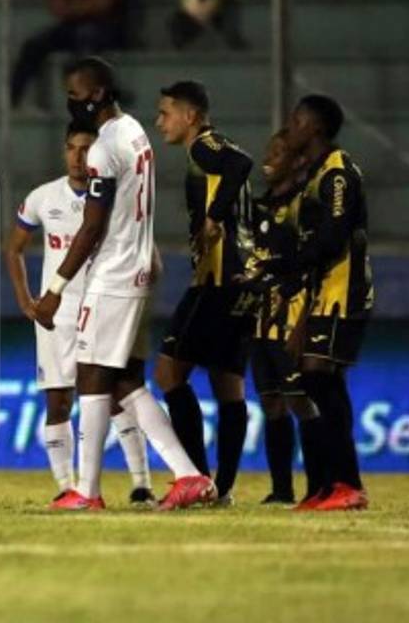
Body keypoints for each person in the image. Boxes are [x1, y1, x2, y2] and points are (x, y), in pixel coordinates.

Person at [34, 57, 215, 511]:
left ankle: (92, 491)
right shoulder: (134, 130)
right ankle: (184, 475)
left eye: (74, 96)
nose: (70, 104)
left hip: (112, 273)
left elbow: (92, 227)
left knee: (94, 377)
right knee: (120, 381)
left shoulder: (102, 150)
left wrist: (55, 288)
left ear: (96, 95)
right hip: (133, 266)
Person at [4, 122, 155, 507]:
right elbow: (14, 248)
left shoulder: (115, 197)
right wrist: (26, 300)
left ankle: (141, 483)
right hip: (57, 315)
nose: (78, 156)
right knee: (57, 402)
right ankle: (65, 485)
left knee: (116, 396)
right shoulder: (43, 197)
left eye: (86, 148)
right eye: (71, 148)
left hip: (104, 305)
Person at [153, 80, 254, 505]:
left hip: (217, 280)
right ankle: (223, 489)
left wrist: (212, 217)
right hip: (243, 281)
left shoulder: (204, 147)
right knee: (227, 383)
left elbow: (241, 164)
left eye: (166, 113)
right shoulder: (214, 148)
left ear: (190, 116)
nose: (160, 122)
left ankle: (196, 479)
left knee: (169, 374)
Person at [283, 95, 374, 511]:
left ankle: (347, 483)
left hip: (342, 292)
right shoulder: (316, 173)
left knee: (320, 379)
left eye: (298, 121)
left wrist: (293, 263)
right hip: (321, 293)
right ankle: (325, 485)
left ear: (315, 128)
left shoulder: (337, 173)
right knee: (315, 382)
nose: (292, 127)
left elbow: (335, 234)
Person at [241, 129, 328, 507]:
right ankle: (281, 490)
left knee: (302, 403)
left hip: (292, 317)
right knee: (272, 403)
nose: (269, 157)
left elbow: (314, 266)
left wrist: (306, 322)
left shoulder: (305, 207)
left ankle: (320, 487)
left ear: (298, 162)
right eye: (269, 149)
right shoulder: (258, 207)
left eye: (280, 152)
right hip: (259, 319)